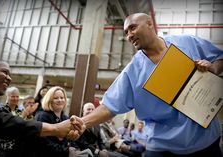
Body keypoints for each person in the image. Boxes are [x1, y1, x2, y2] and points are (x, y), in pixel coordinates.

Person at [72, 13, 223, 157]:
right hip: (162, 147)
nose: (129, 35)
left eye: (132, 28)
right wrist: (83, 122)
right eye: (126, 33)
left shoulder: (187, 43)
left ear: (150, 23)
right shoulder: (132, 72)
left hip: (205, 141)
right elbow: (109, 107)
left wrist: (213, 68)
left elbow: (219, 57)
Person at [0, 57, 83, 157]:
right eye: (4, 72)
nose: (9, 78)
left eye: (62, 97)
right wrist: (55, 129)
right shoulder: (42, 116)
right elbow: (4, 122)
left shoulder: (65, 117)